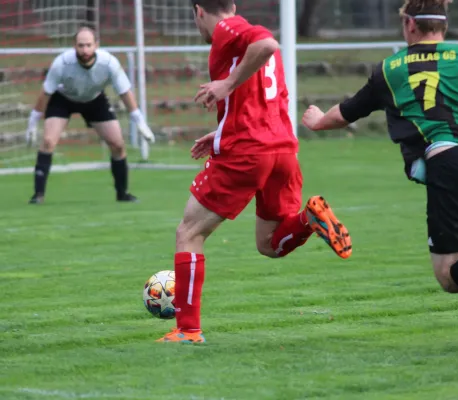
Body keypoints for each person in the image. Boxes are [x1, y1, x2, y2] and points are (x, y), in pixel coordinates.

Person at [302, 1, 458, 351]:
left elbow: (344, 114)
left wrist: (315, 120)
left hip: (449, 166)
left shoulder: (390, 70)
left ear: (410, 25)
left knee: (449, 276)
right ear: (443, 26)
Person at [157, 0, 352, 344]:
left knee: (188, 232)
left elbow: (267, 42)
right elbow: (258, 100)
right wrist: (219, 131)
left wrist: (226, 84)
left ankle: (188, 331)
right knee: (269, 245)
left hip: (247, 152)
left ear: (200, 10)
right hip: (282, 149)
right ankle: (310, 218)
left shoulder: (227, 29)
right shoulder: (243, 49)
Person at [26, 26, 155, 204]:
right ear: (74, 46)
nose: (85, 50)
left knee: (117, 145)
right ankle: (38, 195)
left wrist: (140, 123)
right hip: (63, 99)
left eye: (88, 45)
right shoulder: (61, 63)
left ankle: (122, 194)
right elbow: (46, 93)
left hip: (94, 100)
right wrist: (32, 124)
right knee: (48, 142)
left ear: (96, 45)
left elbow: (125, 92)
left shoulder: (109, 63)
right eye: (80, 45)